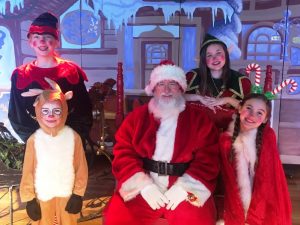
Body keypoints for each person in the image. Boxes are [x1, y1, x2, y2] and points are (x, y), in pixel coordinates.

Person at [104, 60, 220, 225]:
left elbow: (208, 159)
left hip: (183, 186)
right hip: (144, 184)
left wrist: (184, 188)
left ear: (181, 88)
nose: (166, 90)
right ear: (153, 89)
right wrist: (144, 187)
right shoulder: (137, 118)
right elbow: (123, 153)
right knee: (120, 218)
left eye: (172, 84)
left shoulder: (199, 120)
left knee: (197, 220)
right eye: (161, 84)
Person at [8, 12, 93, 143]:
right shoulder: (20, 75)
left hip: (67, 142)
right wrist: (37, 140)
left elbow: (83, 111)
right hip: (36, 143)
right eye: (36, 37)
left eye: (47, 36)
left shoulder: (71, 71)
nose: (42, 41)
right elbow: (17, 116)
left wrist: (68, 138)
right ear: (30, 42)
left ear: (56, 42)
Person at [19, 78, 88, 225]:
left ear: (64, 111)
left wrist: (78, 194)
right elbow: (28, 171)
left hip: (68, 196)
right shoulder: (34, 140)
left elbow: (81, 167)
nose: (51, 116)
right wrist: (29, 199)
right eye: (45, 111)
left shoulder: (73, 138)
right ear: (39, 112)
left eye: (56, 110)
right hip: (42, 196)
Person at [218, 93, 292, 225]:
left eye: (260, 113)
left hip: (265, 205)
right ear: (240, 108)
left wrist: (254, 218)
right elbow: (230, 183)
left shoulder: (267, 136)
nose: (252, 115)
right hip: (236, 206)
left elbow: (267, 181)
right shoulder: (225, 140)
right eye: (248, 108)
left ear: (265, 119)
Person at [185, 33, 251, 130]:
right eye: (209, 55)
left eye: (218, 53)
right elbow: (178, 98)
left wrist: (226, 100)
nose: (214, 58)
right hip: (198, 132)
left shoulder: (241, 81)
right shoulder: (193, 76)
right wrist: (198, 97)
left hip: (228, 133)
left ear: (226, 54)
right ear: (203, 60)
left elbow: (248, 109)